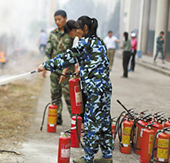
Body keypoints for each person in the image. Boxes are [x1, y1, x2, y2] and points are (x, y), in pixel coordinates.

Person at [37, 16, 114, 163]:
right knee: (104, 121)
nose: (76, 30)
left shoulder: (85, 43)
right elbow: (101, 63)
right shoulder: (99, 42)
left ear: (85, 28)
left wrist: (46, 65)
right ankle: (107, 156)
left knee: (91, 122)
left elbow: (68, 57)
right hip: (105, 88)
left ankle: (88, 158)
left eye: (78, 27)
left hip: (94, 91)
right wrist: (84, 70)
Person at [43, 10, 75, 125]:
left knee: (69, 96)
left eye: (59, 19)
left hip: (67, 72)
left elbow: (74, 52)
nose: (57, 22)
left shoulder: (71, 33)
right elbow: (48, 52)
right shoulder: (52, 34)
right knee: (55, 94)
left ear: (65, 18)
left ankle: (75, 121)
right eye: (55, 19)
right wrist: (45, 66)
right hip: (55, 71)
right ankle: (56, 118)